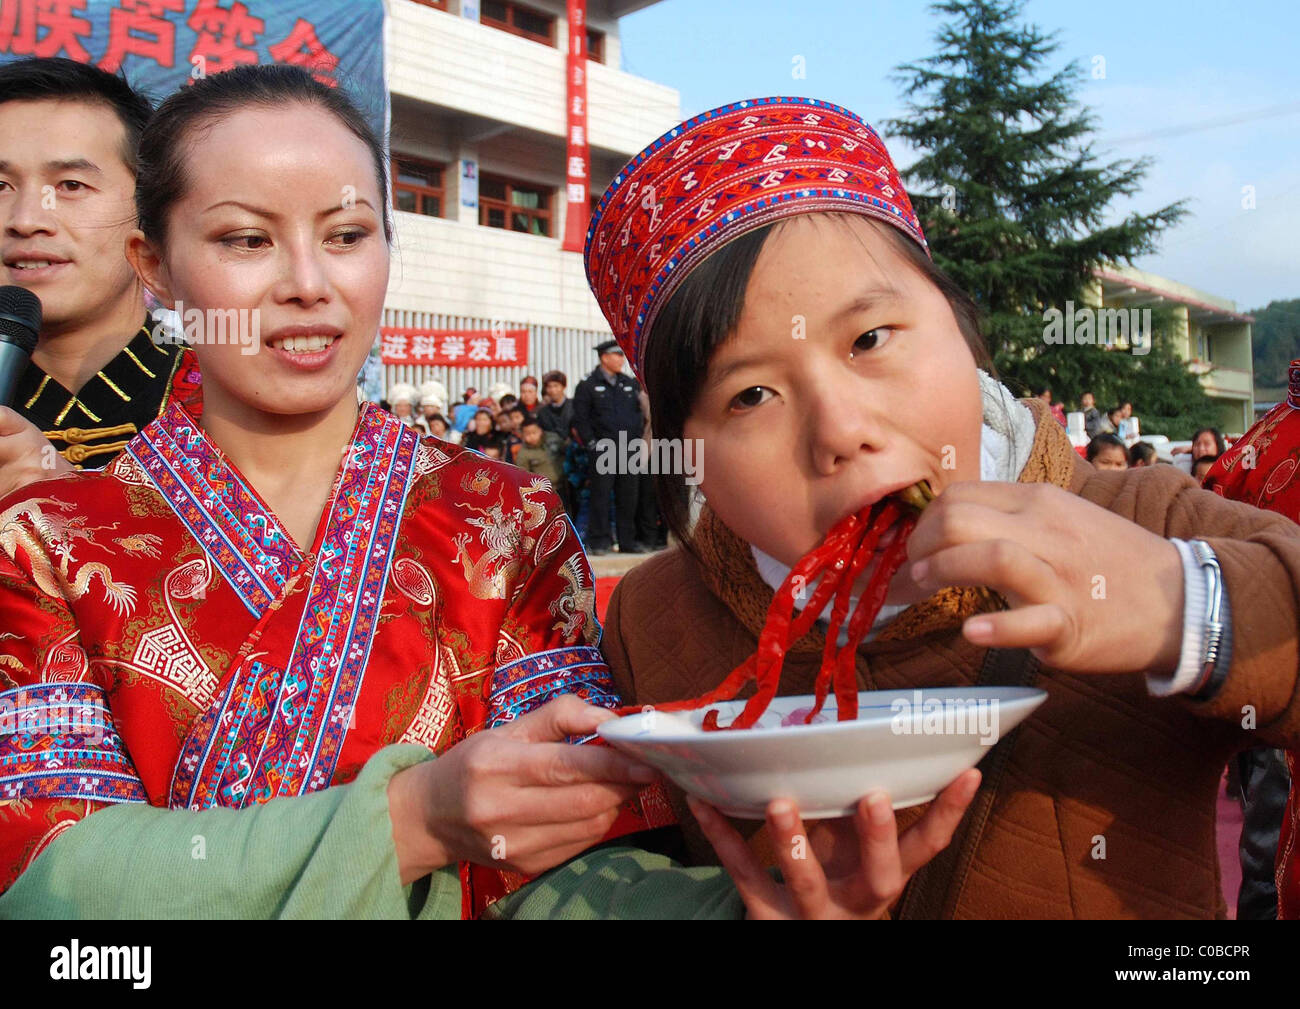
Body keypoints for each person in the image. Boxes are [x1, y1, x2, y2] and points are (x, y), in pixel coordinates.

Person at [584, 96, 1300, 918]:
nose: (842, 432)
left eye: (870, 339)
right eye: (750, 394)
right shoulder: (655, 618)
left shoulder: (1139, 521)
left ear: (959, 326)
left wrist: (1185, 605)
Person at [0, 65, 684, 919]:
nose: (308, 284)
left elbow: (578, 852)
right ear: (156, 267)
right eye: (246, 240)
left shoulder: (503, 515)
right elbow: (53, 884)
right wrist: (407, 824)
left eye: (348, 235)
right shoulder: (44, 539)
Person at [0, 58, 182, 498]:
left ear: (148, 212)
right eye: (0, 187)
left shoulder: (227, 403)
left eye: (70, 185)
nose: (26, 221)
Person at [1202, 358, 1300, 920]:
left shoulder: (1253, 442)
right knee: (1271, 839)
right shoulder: (1261, 443)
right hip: (1271, 667)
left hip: (1255, 668)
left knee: (1266, 840)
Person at [573, 340, 645, 556]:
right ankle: (599, 541)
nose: (621, 360)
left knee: (628, 497)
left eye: (622, 355)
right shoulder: (588, 384)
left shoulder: (629, 384)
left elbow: (638, 415)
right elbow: (581, 418)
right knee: (601, 496)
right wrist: (591, 444)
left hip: (629, 448)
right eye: (617, 355)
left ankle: (627, 541)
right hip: (603, 447)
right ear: (604, 357)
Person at [515, 416, 563, 489]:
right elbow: (523, 476)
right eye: (527, 434)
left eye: (534, 432)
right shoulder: (523, 454)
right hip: (545, 489)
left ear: (540, 430)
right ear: (523, 436)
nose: (532, 436)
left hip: (565, 483)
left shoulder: (553, 439)